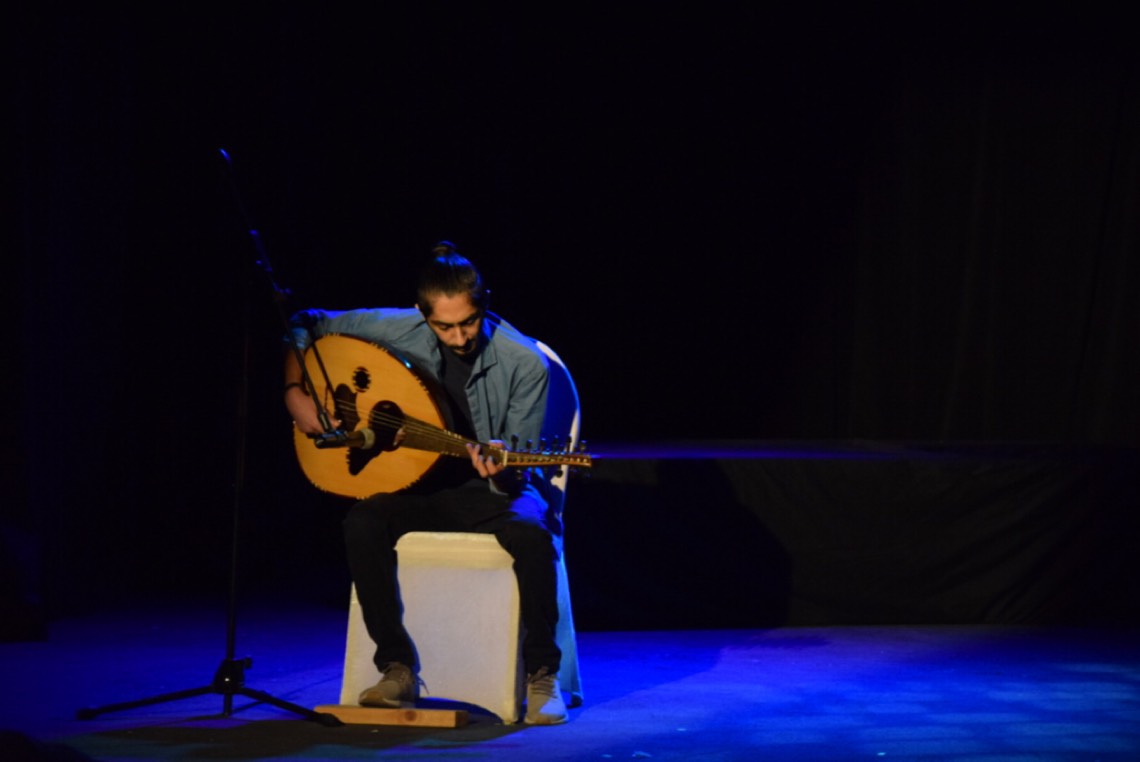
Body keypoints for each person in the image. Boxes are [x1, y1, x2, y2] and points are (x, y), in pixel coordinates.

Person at [283, 241, 568, 725]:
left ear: (485, 305)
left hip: (494, 492)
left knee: (532, 534)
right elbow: (304, 322)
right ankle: (396, 668)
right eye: (444, 327)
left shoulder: (524, 362)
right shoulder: (399, 327)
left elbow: (519, 469)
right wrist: (294, 391)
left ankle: (542, 674)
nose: (459, 338)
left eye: (469, 323)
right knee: (363, 522)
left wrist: (502, 467)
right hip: (423, 488)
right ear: (422, 314)